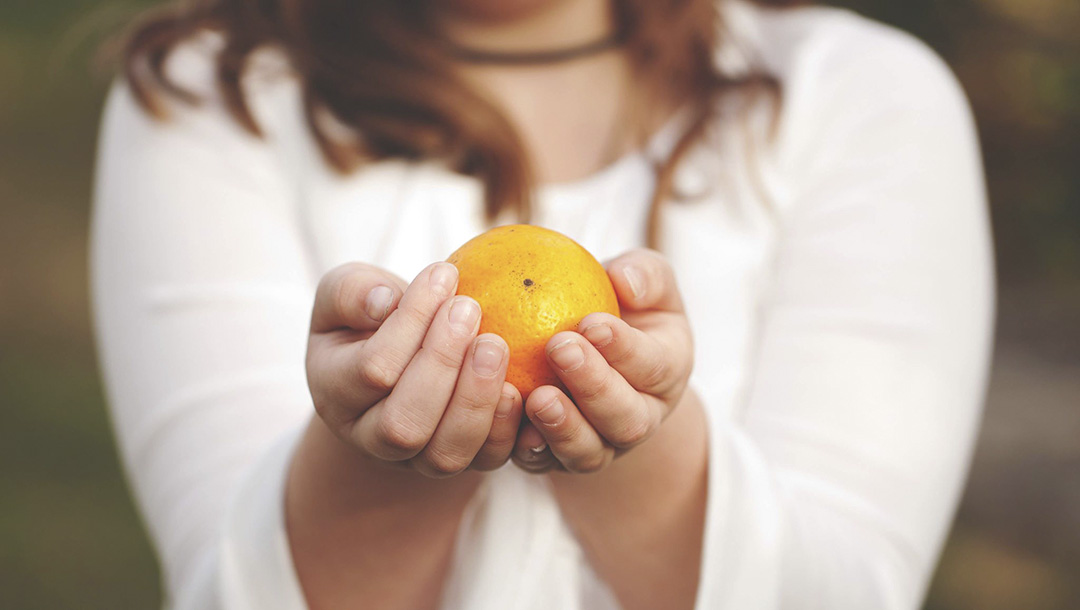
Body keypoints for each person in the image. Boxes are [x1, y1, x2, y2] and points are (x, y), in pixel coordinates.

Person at [90, 0, 994, 607]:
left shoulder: (861, 98)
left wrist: (640, 434)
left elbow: (844, 590)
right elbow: (228, 590)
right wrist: (375, 453)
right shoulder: (215, 92)